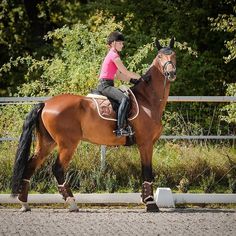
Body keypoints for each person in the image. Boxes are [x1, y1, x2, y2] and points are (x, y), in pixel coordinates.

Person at [97, 31, 140, 137]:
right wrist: (140, 77)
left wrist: (132, 81)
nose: (122, 45)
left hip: (108, 84)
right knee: (124, 99)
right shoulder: (113, 55)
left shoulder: (112, 55)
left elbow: (120, 75)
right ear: (113, 44)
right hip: (105, 85)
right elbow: (125, 71)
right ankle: (120, 129)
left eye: (122, 43)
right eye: (120, 43)